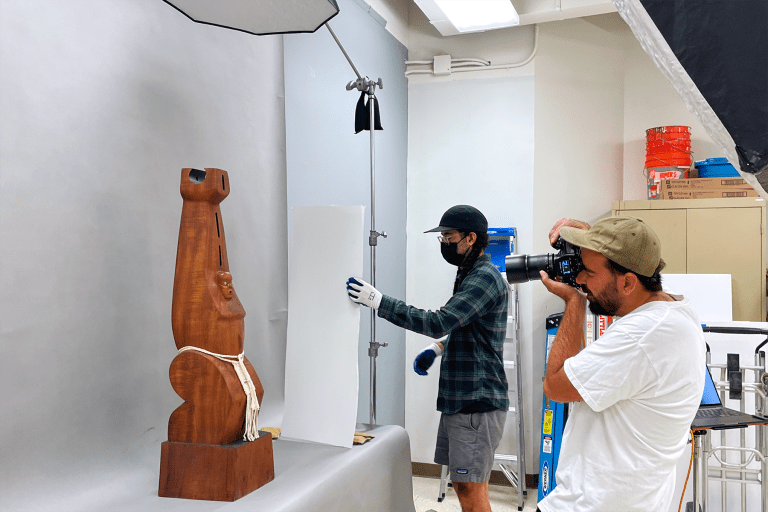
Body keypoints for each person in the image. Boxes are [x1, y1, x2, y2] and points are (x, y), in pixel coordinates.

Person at [536, 216, 706, 512]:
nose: (579, 280)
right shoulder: (674, 313)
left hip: (592, 504)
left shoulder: (641, 336)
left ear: (628, 282)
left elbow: (555, 386)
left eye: (588, 272)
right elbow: (630, 263)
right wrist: (595, 239)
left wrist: (574, 304)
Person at [346, 205, 509, 512]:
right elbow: (468, 328)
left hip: (476, 403)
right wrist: (437, 349)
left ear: (470, 238)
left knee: (471, 491)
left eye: (449, 236)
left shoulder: (484, 278)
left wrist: (380, 302)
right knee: (464, 485)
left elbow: (439, 320)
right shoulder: (469, 273)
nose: (444, 243)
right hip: (462, 400)